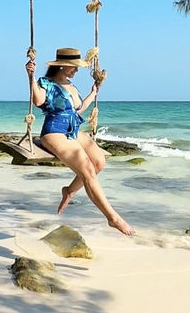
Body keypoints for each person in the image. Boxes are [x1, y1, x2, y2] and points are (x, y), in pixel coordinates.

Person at [25, 47, 135, 236]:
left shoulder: (70, 85)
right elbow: (38, 100)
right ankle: (112, 217)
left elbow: (77, 110)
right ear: (61, 66)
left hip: (73, 129)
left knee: (99, 162)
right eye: (73, 67)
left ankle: (68, 191)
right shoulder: (47, 83)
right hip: (55, 132)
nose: (76, 70)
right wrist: (31, 77)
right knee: (88, 170)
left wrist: (93, 94)